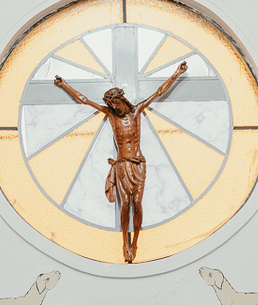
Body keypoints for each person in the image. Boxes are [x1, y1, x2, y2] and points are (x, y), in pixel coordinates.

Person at [54, 61, 188, 263]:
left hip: (138, 164)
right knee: (125, 203)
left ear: (122, 100)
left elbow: (159, 92)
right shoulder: (111, 116)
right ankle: (124, 243)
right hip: (123, 164)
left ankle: (135, 244)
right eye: (111, 105)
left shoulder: (137, 112)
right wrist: (65, 85)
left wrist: (177, 73)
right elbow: (85, 100)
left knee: (137, 203)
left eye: (116, 103)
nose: (114, 107)